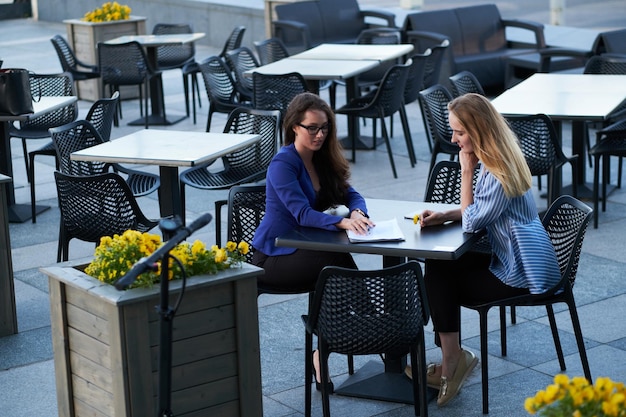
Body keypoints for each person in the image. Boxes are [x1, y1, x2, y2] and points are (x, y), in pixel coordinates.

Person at [407, 93, 561, 407]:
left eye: (460, 133)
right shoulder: (502, 156)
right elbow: (478, 211)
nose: (453, 139)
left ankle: (452, 362)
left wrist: (465, 169)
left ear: (479, 131)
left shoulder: (495, 170)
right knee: (439, 268)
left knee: (439, 277)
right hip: (522, 258)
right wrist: (446, 214)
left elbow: (473, 223)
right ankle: (453, 356)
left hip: (520, 273)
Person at [251, 92, 375, 388]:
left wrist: (358, 211)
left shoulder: (322, 158)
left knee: (334, 270)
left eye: (325, 128)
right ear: (294, 126)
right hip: (274, 258)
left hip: (307, 250)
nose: (319, 135)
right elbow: (302, 213)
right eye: (312, 128)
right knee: (335, 262)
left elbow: (351, 193)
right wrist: (343, 221)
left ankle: (331, 345)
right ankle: (371, 323)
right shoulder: (283, 164)